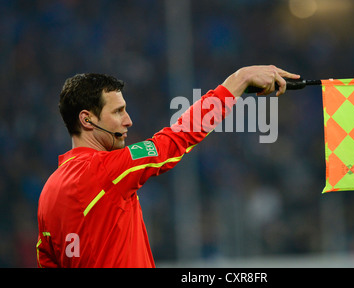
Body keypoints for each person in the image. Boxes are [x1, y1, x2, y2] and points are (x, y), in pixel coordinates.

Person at [36, 65, 299, 267]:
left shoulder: (48, 193)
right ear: (87, 119)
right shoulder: (107, 170)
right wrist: (239, 80)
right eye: (118, 112)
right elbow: (177, 138)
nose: (128, 121)